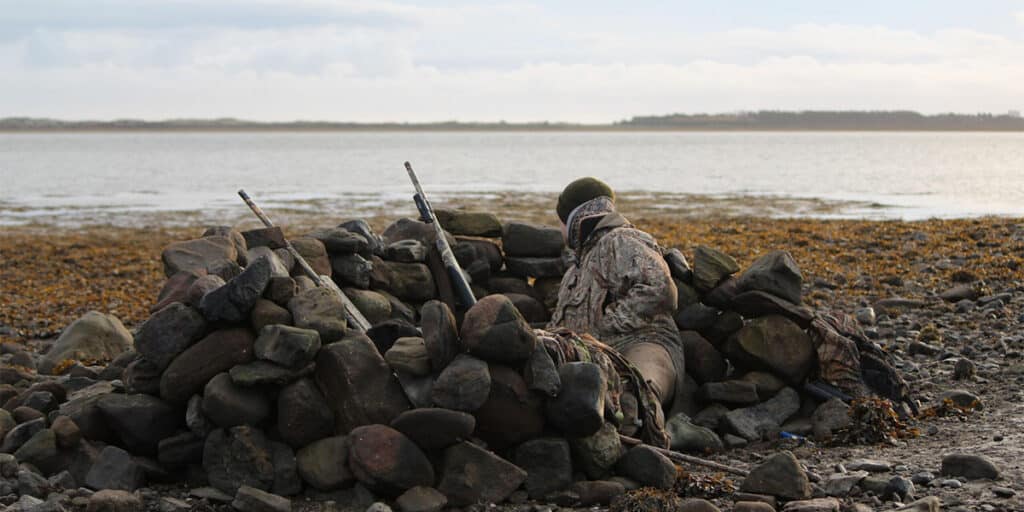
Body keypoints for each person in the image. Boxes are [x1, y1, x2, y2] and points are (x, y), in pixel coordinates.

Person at [547, 177, 685, 417]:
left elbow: (660, 289)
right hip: (593, 358)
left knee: (637, 398)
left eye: (561, 222)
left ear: (574, 219)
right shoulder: (574, 272)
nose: (560, 231)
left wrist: (604, 329)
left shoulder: (620, 240)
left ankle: (670, 432)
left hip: (642, 343)